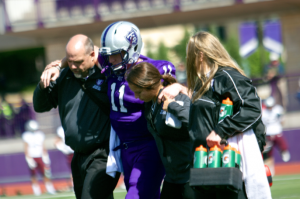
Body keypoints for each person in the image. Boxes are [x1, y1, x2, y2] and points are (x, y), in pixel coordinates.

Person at [40, 21, 176, 199]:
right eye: (109, 55)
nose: (111, 60)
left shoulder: (149, 70)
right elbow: (90, 52)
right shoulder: (112, 65)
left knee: (137, 194)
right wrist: (59, 64)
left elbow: (166, 71)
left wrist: (175, 87)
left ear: (132, 49)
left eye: (116, 55)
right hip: (125, 148)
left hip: (147, 145)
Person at [158, 31, 271, 199]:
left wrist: (220, 131)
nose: (187, 58)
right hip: (204, 163)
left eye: (190, 53)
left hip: (228, 161)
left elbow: (252, 108)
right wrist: (182, 89)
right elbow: (210, 106)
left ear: (201, 55)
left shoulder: (228, 76)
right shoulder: (202, 82)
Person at [33, 34, 120, 199]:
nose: (73, 66)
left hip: (103, 154)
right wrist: (44, 81)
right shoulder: (64, 76)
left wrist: (61, 63)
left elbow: (100, 51)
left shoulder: (106, 73)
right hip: (78, 156)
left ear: (92, 56)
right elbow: (40, 106)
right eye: (70, 61)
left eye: (79, 61)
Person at [126, 62, 196, 199]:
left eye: (139, 92)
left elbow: (195, 121)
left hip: (191, 177)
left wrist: (172, 107)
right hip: (172, 178)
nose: (136, 97)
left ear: (150, 84)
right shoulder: (149, 105)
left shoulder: (175, 97)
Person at [22, 120, 56, 196]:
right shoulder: (26, 135)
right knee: (33, 174)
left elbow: (43, 146)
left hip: (40, 156)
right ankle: (36, 190)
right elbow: (26, 148)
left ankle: (49, 188)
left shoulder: (40, 134)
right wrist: (29, 159)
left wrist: (46, 156)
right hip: (32, 156)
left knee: (46, 173)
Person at [262, 96, 290, 176]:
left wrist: (279, 125)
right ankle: (271, 170)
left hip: (277, 132)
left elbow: (282, 120)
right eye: (268, 106)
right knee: (268, 154)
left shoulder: (278, 110)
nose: (270, 108)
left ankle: (283, 151)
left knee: (283, 146)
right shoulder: (263, 112)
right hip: (268, 135)